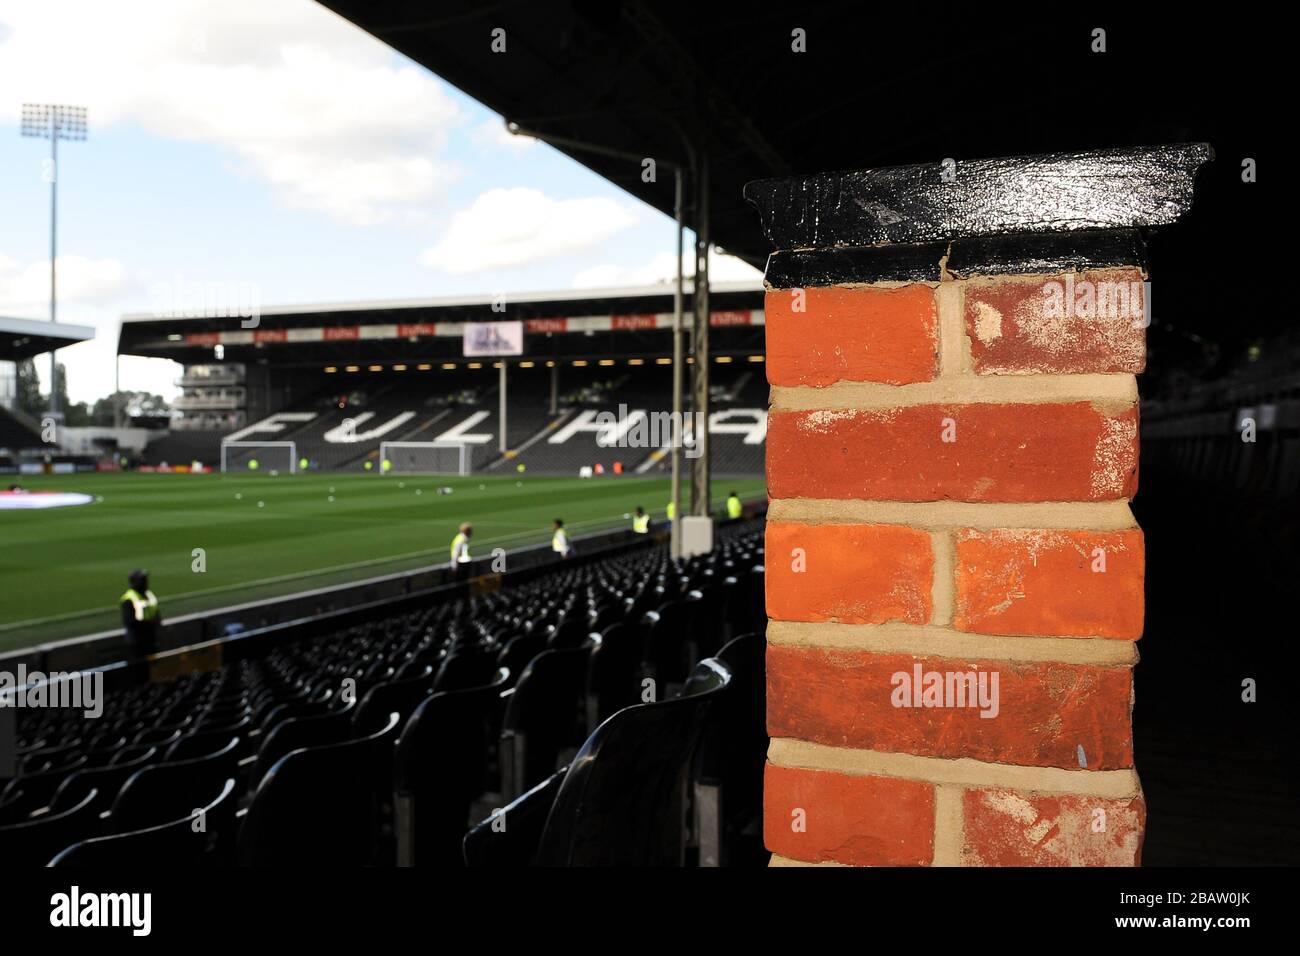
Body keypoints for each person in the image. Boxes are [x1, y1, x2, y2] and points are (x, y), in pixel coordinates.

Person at [120, 569, 161, 659]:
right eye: (143, 580)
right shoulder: (129, 599)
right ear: (135, 582)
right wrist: (150, 624)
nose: (146, 582)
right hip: (137, 644)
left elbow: (156, 614)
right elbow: (130, 622)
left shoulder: (149, 595)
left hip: (151, 641)